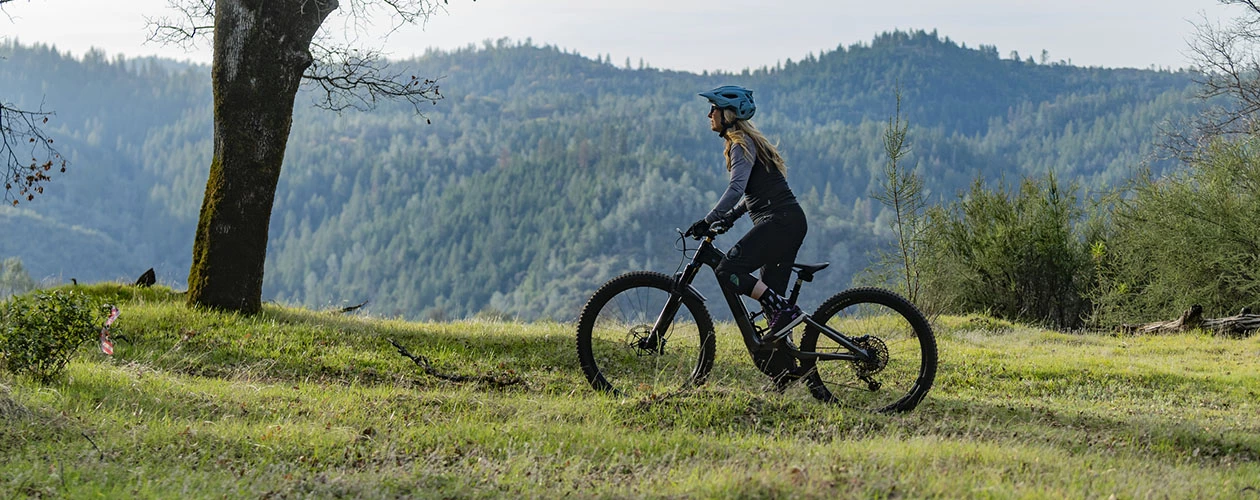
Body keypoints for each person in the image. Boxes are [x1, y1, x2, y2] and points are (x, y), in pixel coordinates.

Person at [686, 85, 809, 345]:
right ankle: (786, 371)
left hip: (779, 222)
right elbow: (753, 195)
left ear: (727, 114)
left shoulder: (740, 145)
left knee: (726, 270)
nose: (709, 115)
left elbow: (736, 189)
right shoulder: (749, 143)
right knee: (772, 309)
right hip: (788, 222)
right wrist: (730, 217)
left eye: (713, 109)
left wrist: (707, 220)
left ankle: (783, 308)